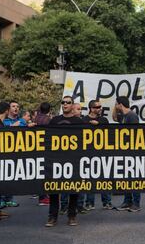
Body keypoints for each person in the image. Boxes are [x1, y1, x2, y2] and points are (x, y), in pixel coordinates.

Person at [46, 96, 84, 227]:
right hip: (56, 161)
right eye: (63, 102)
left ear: (72, 105)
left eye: (68, 102)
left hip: (73, 161)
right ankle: (52, 217)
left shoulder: (78, 121)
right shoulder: (55, 120)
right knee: (54, 189)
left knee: (73, 189)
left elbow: (87, 138)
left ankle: (72, 216)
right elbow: (45, 136)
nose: (65, 104)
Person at [80, 100, 112, 210]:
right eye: (97, 107)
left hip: (102, 153)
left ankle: (107, 202)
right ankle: (89, 203)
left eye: (100, 106)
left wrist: (99, 125)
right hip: (88, 153)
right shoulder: (84, 120)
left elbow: (110, 132)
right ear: (91, 108)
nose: (100, 108)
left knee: (104, 178)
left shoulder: (103, 120)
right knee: (89, 180)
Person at [113, 96, 141, 212]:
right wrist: (115, 107)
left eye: (116, 104)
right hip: (124, 151)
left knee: (134, 178)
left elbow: (135, 135)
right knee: (126, 178)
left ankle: (136, 203)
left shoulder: (132, 116)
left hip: (133, 152)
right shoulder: (123, 116)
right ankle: (127, 201)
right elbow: (114, 117)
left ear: (120, 104)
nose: (115, 106)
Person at [1, 100, 24, 208]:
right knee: (3, 177)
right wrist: (12, 127)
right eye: (13, 106)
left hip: (17, 153)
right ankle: (1, 199)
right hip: (5, 153)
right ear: (8, 109)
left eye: (17, 106)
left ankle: (9, 199)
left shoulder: (22, 121)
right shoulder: (3, 121)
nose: (16, 108)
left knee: (12, 177)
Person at [34, 102, 52, 206]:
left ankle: (42, 195)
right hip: (45, 147)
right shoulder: (48, 120)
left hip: (37, 147)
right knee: (45, 173)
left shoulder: (36, 119)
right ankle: (43, 197)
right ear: (49, 110)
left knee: (40, 172)